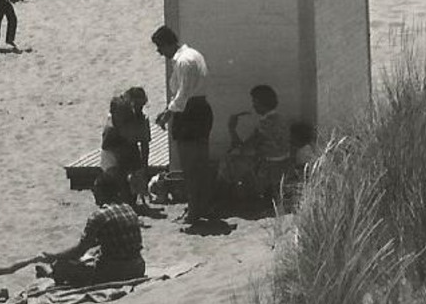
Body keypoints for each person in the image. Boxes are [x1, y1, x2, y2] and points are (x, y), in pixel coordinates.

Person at [151, 25, 214, 230]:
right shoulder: (192, 54)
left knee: (190, 166)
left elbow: (183, 95)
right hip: (197, 111)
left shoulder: (184, 61)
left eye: (160, 47)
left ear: (168, 43)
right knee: (199, 164)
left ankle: (195, 212)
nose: (159, 52)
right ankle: (199, 207)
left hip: (190, 115)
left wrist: (168, 114)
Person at [40, 172, 145, 287]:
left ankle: (51, 274)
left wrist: (54, 256)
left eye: (95, 191)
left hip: (115, 273)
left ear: (101, 192)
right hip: (138, 267)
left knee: (61, 266)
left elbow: (80, 250)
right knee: (94, 254)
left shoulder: (98, 216)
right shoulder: (128, 209)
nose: (94, 194)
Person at [222, 85, 293, 202]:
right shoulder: (280, 118)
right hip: (283, 165)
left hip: (269, 168)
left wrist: (232, 129)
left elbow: (244, 148)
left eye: (254, 101)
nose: (253, 105)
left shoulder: (265, 124)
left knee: (228, 161)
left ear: (262, 103)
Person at [101, 87, 153, 210]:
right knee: (121, 176)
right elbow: (112, 145)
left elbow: (143, 144)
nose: (140, 108)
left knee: (134, 166)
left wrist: (143, 168)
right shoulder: (117, 117)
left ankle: (132, 197)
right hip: (114, 151)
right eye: (138, 105)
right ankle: (127, 199)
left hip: (125, 146)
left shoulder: (135, 116)